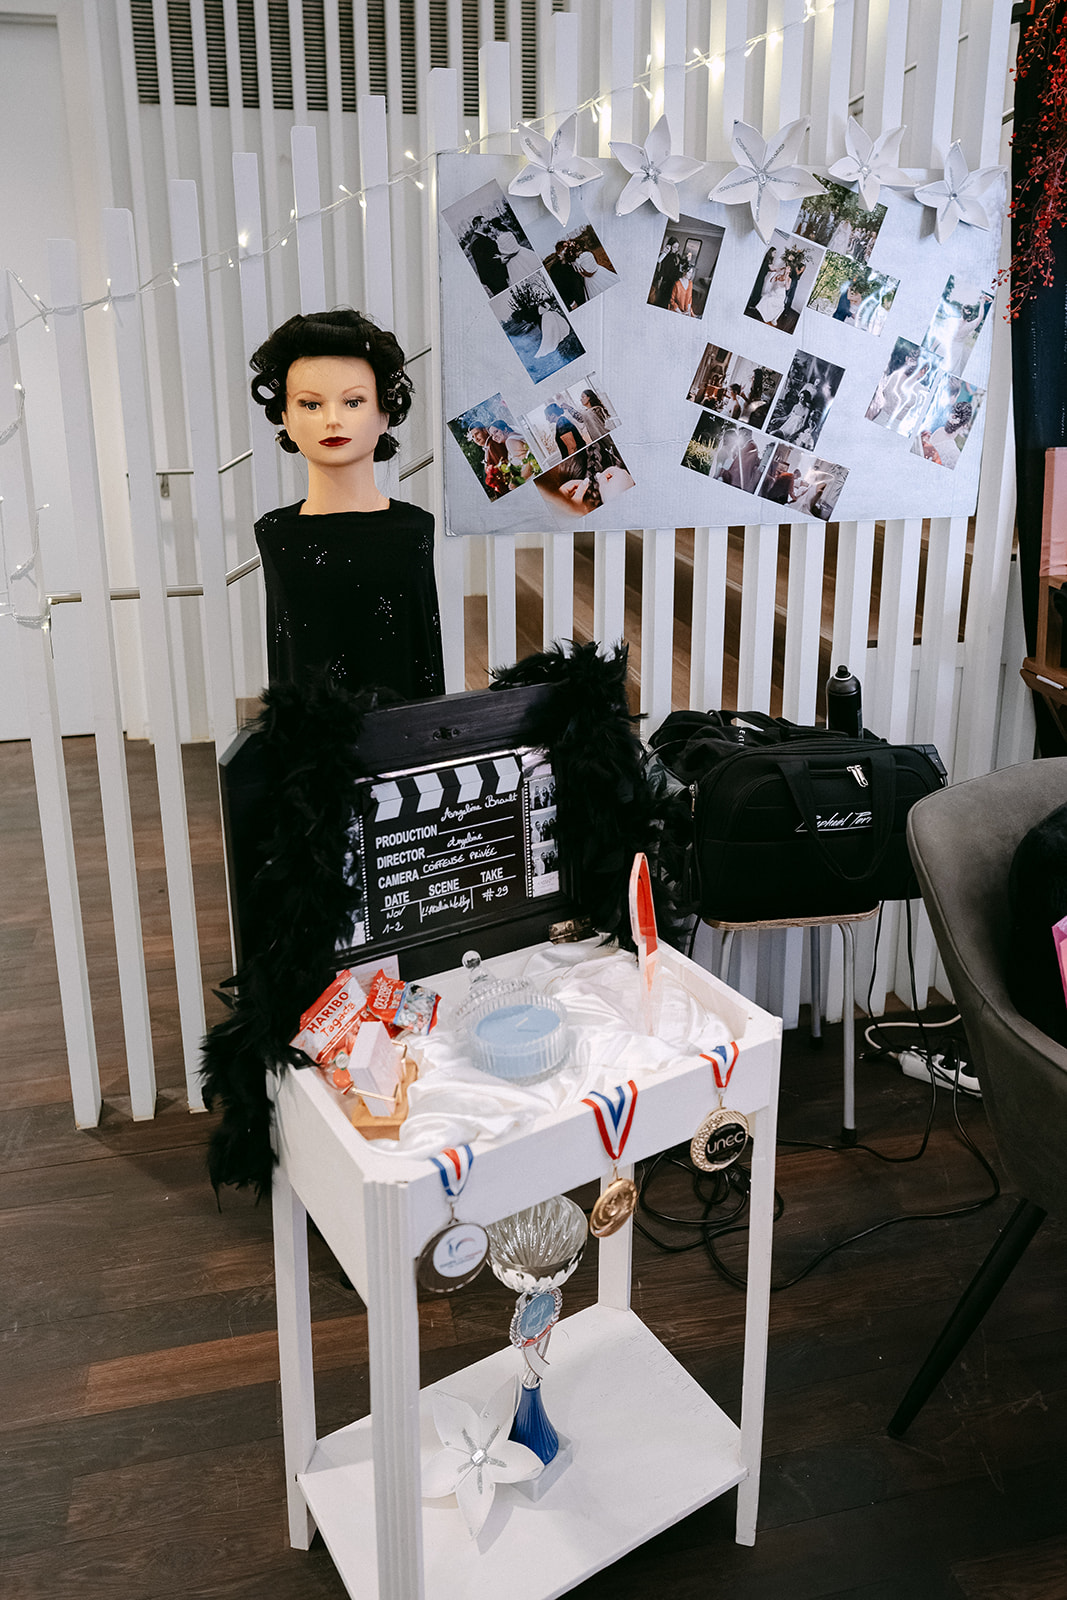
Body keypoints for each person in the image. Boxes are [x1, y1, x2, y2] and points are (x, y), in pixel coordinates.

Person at [250, 308, 443, 701]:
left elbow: (423, 651)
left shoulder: (414, 530)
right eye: (311, 404)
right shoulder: (276, 534)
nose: (332, 420)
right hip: (313, 735)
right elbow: (288, 657)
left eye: (353, 402)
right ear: (286, 418)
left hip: (401, 730)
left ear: (384, 413)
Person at [466, 215, 508, 295]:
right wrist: (500, 260)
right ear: (478, 225)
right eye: (485, 222)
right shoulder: (477, 241)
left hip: (496, 275)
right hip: (493, 278)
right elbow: (483, 262)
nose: (488, 224)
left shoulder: (481, 237)